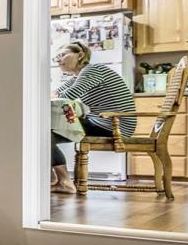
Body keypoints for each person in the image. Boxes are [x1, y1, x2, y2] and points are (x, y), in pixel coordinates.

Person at [50, 41, 135, 193]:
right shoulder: (79, 75)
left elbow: (68, 95)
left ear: (80, 55)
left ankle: (62, 181)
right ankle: (55, 179)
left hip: (113, 126)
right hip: (102, 121)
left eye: (62, 55)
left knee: (43, 135)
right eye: (56, 57)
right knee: (44, 132)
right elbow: (56, 93)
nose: (57, 60)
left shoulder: (93, 70)